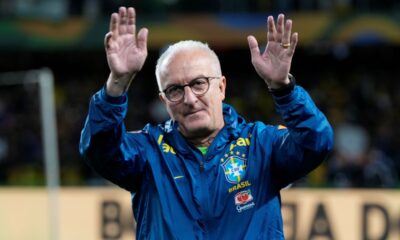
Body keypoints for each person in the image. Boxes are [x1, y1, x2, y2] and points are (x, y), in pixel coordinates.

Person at [79, 6, 334, 239]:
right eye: (175, 90)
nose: (189, 99)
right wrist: (117, 84)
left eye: (199, 83)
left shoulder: (261, 146)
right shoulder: (148, 153)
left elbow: (316, 142)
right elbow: (98, 150)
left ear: (221, 87)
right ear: (164, 100)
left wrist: (284, 90)